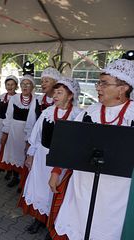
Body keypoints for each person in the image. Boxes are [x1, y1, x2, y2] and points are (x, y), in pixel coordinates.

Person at [53, 59, 134, 240]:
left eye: (104, 83)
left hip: (117, 193)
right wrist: (56, 171)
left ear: (123, 88)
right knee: (80, 226)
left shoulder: (133, 115)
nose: (98, 87)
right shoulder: (90, 112)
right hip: (84, 185)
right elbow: (69, 143)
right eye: (98, 82)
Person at [18, 77, 81, 237]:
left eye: (60, 93)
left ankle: (51, 225)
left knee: (55, 192)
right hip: (41, 158)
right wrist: (31, 156)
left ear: (71, 95)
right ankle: (39, 220)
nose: (55, 96)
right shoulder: (47, 112)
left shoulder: (77, 115)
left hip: (61, 162)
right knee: (40, 190)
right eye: (55, 92)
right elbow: (36, 135)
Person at [0, 74, 36, 191]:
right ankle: (15, 177)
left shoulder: (36, 100)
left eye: (28, 84)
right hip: (14, 131)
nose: (25, 87)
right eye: (23, 84)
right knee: (15, 153)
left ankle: (23, 179)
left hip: (27, 131)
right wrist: (5, 132)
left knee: (24, 154)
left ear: (32, 86)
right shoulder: (15, 99)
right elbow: (8, 116)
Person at [0, 75, 18, 179]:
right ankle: (0, 166)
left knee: (8, 148)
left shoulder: (18, 99)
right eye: (8, 84)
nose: (10, 87)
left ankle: (10, 171)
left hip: (11, 127)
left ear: (16, 86)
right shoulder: (0, 98)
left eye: (12, 84)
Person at [24, 67, 60, 141]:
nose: (43, 84)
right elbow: (30, 123)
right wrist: (28, 140)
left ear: (56, 83)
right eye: (42, 82)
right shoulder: (37, 100)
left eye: (46, 81)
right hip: (38, 141)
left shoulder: (61, 102)